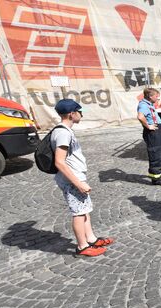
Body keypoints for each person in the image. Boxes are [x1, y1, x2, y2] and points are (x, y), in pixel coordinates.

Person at [51, 99, 114, 257]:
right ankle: (82, 246)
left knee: (84, 210)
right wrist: (78, 183)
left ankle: (91, 239)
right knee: (78, 213)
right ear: (71, 114)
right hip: (72, 180)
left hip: (76, 178)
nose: (82, 114)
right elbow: (59, 161)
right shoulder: (63, 133)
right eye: (79, 111)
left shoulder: (65, 131)